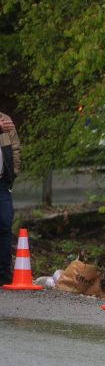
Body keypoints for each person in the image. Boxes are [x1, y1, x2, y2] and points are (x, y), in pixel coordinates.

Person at [0, 111, 21, 286]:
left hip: (2, 183)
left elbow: (15, 148)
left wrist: (13, 173)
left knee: (5, 223)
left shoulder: (5, 120)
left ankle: (4, 273)